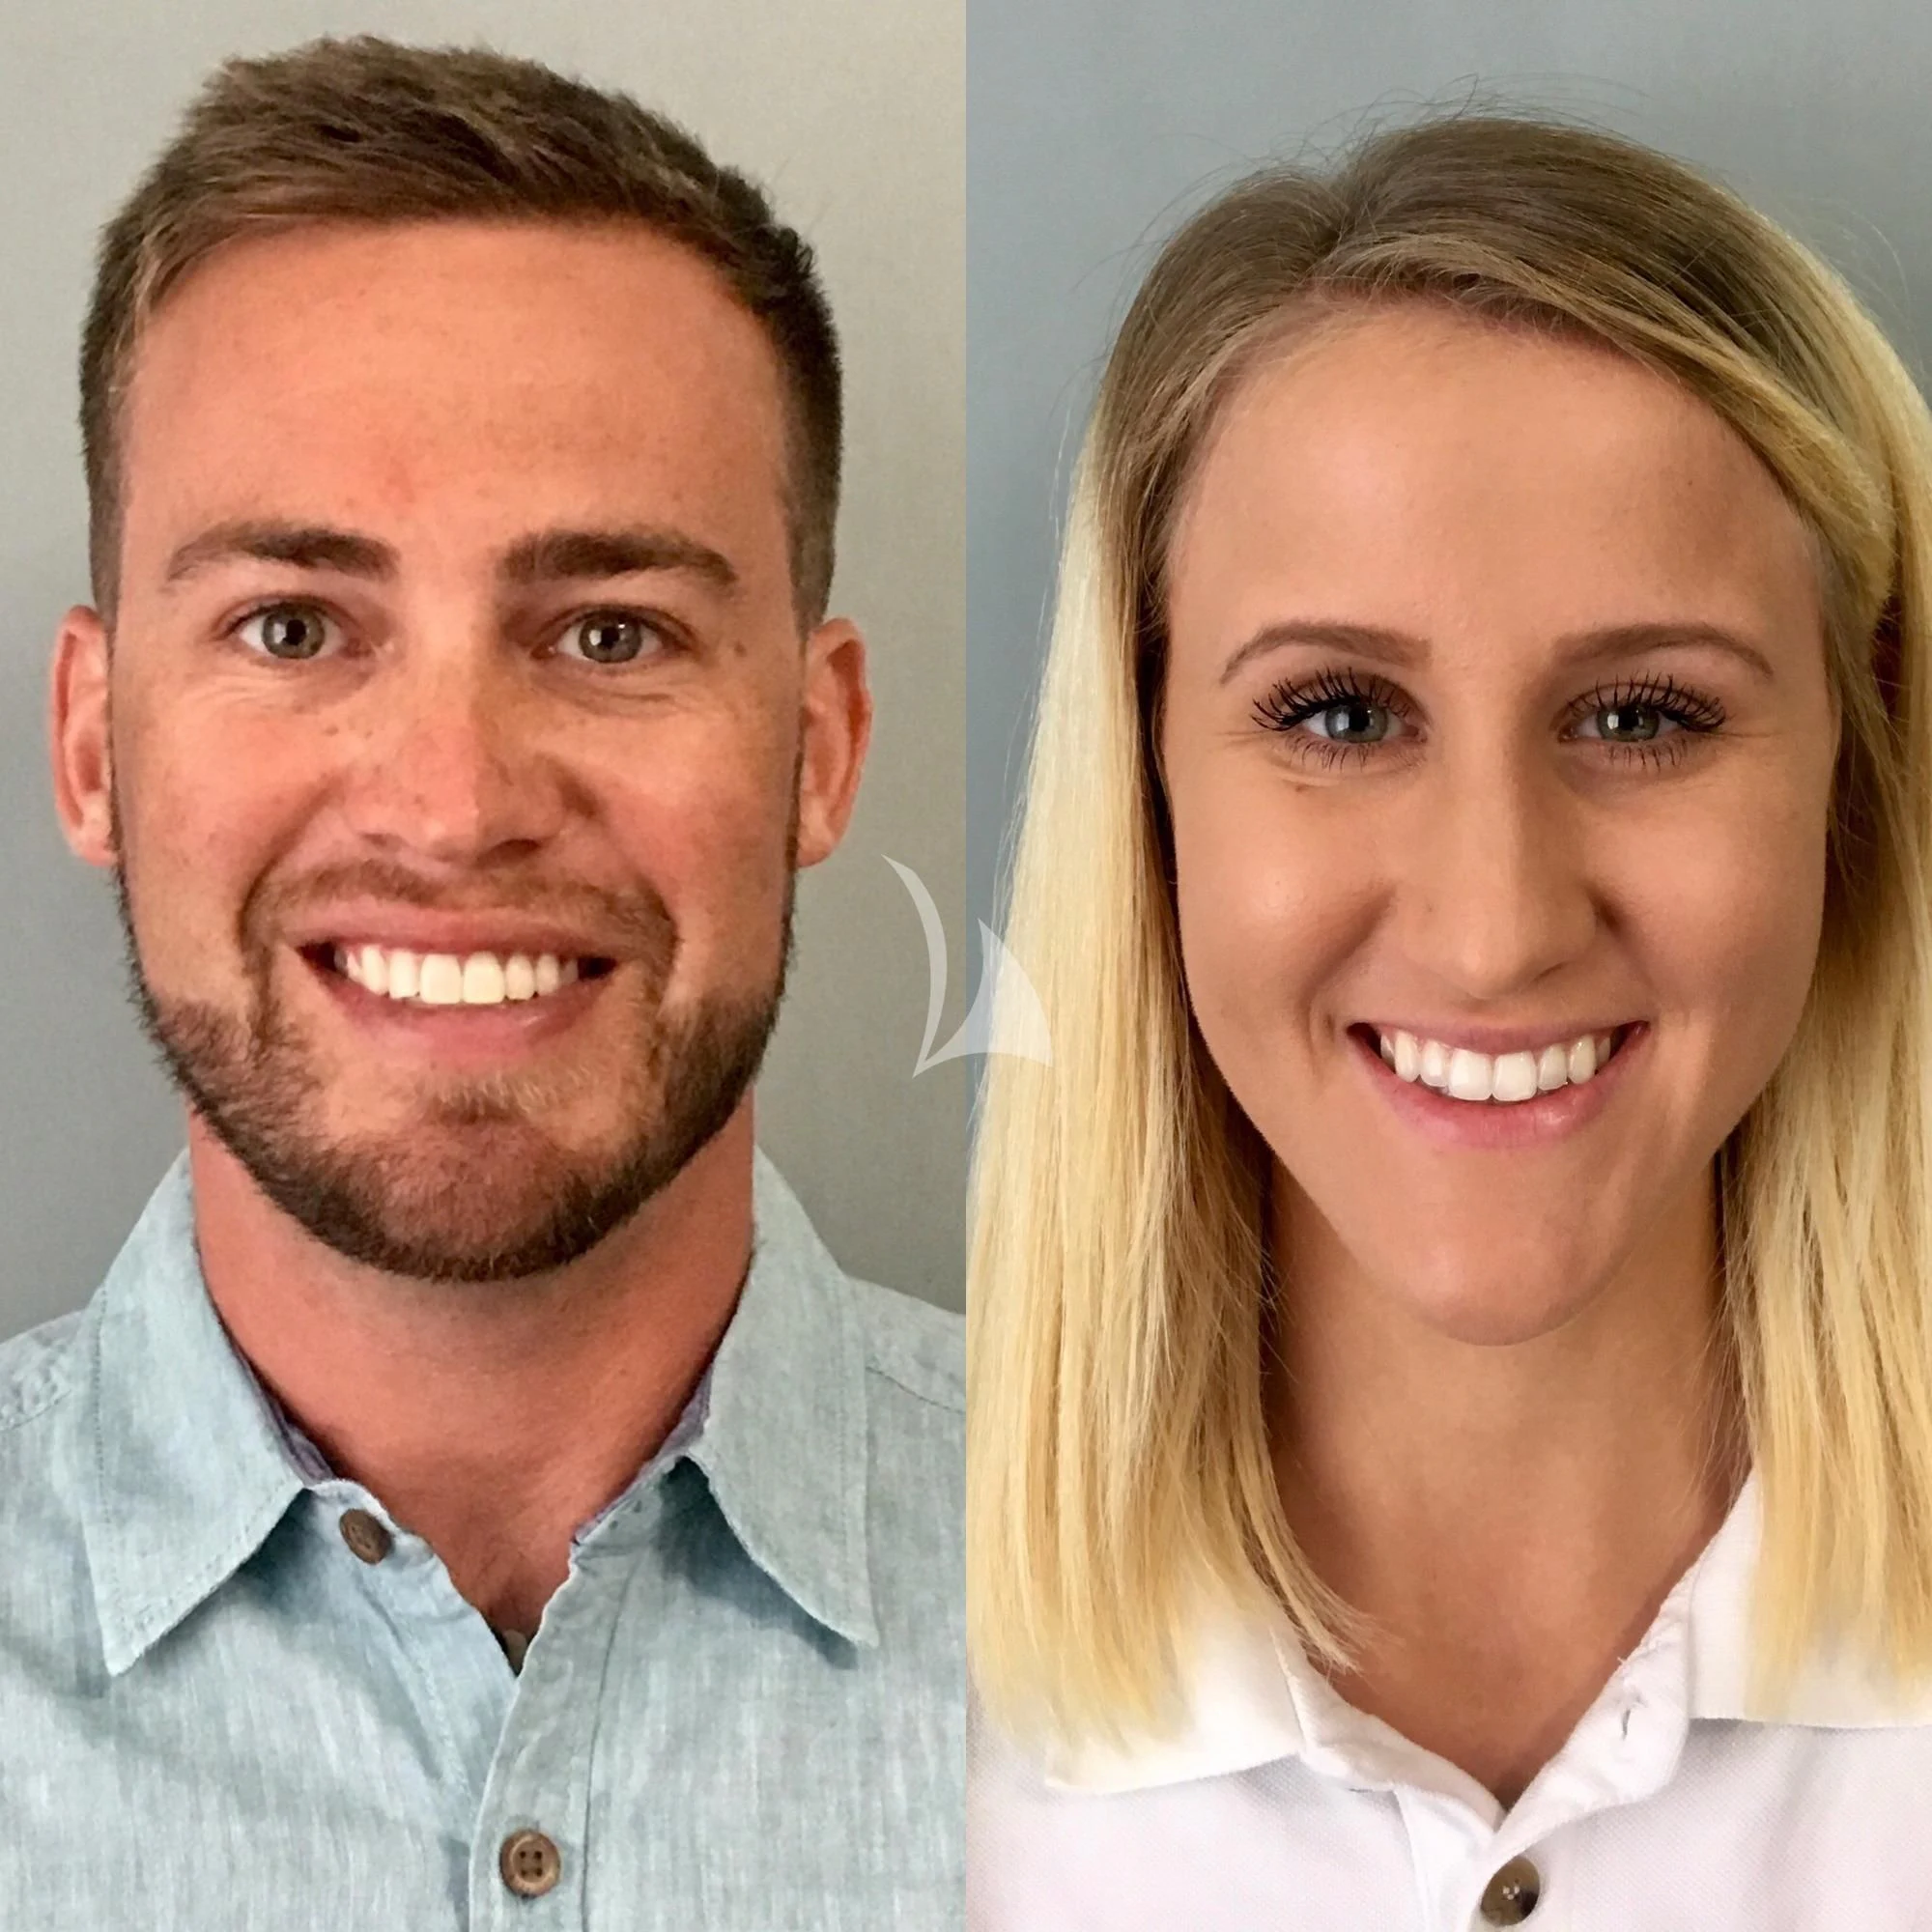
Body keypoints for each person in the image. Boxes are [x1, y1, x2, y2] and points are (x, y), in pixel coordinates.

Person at [1, 34, 962, 1926]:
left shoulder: (1208, 1620)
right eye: (293, 624)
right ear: (97, 750)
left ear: (822, 744)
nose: (452, 807)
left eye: (609, 630)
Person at [966, 112, 1932, 1928]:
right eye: (1339, 715)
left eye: (1644, 715)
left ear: (1858, 758)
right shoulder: (873, 1737)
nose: (1494, 932)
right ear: (1149, 777)